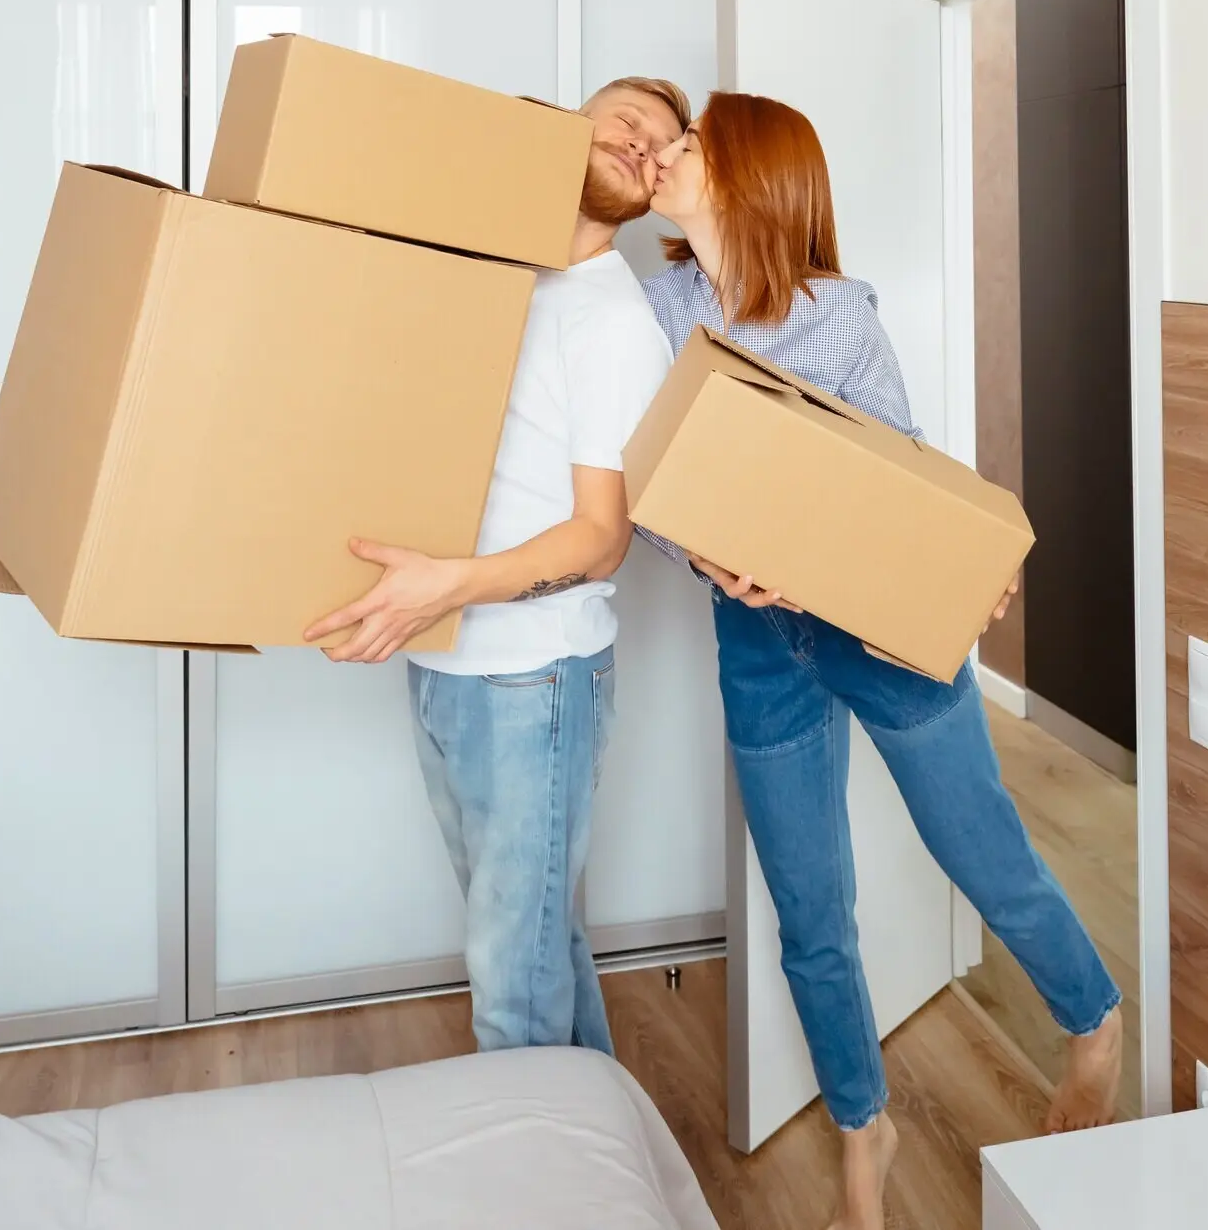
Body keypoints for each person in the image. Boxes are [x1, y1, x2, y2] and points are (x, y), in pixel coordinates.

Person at [642, 91, 1123, 1230]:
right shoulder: (654, 311)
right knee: (810, 911)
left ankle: (1093, 1014)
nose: (663, 156)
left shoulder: (840, 317)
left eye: (689, 144)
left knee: (984, 853)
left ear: (754, 173)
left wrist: (968, 562)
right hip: (760, 647)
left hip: (878, 640)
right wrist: (709, 561)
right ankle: (867, 1127)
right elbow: (646, 485)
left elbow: (899, 479)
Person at [304, 75, 690, 1058]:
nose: (647, 146)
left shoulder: (611, 321)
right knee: (534, 943)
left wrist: (446, 585)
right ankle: (608, 1175)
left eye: (665, 148)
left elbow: (603, 536)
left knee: (513, 990)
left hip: (533, 680)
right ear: (561, 127)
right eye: (630, 121)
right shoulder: (496, 284)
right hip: (447, 659)